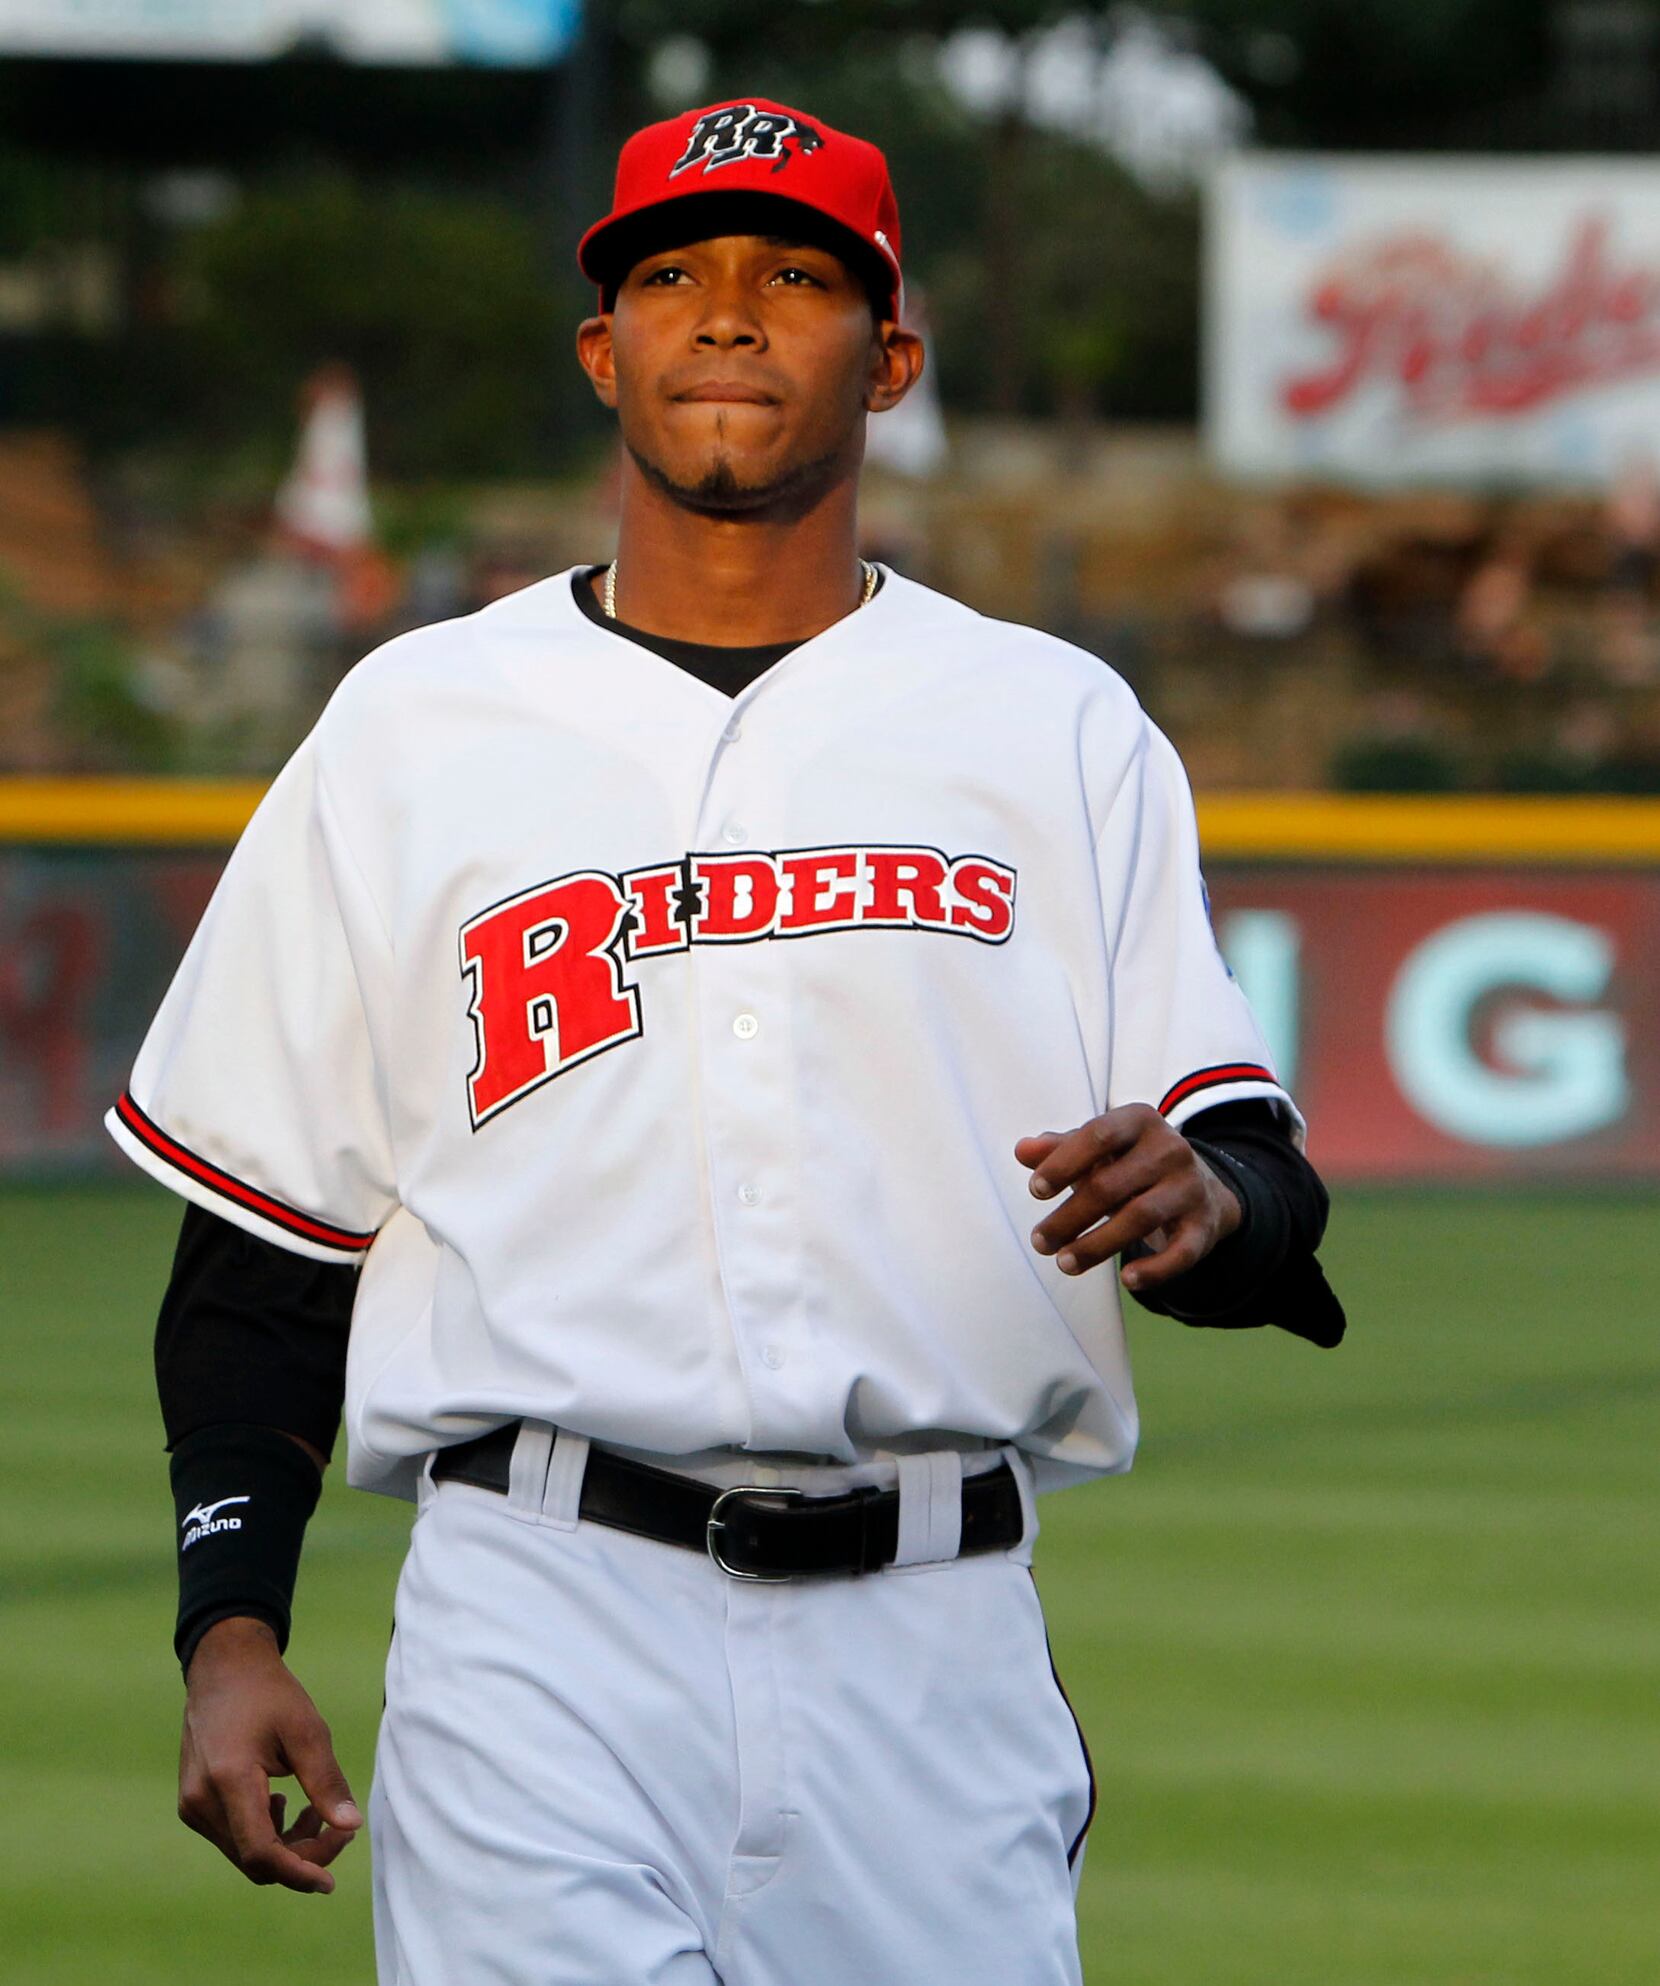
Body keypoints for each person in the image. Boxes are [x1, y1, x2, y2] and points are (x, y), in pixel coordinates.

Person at [111, 99, 1344, 1986]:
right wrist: (231, 1625)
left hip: (932, 1636)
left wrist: (1218, 1208)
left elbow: (1251, 1179)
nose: (732, 315)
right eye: (673, 274)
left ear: (894, 357)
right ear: (606, 350)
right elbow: (268, 1245)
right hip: (540, 1621)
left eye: (798, 276)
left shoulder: (1054, 725)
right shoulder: (414, 723)